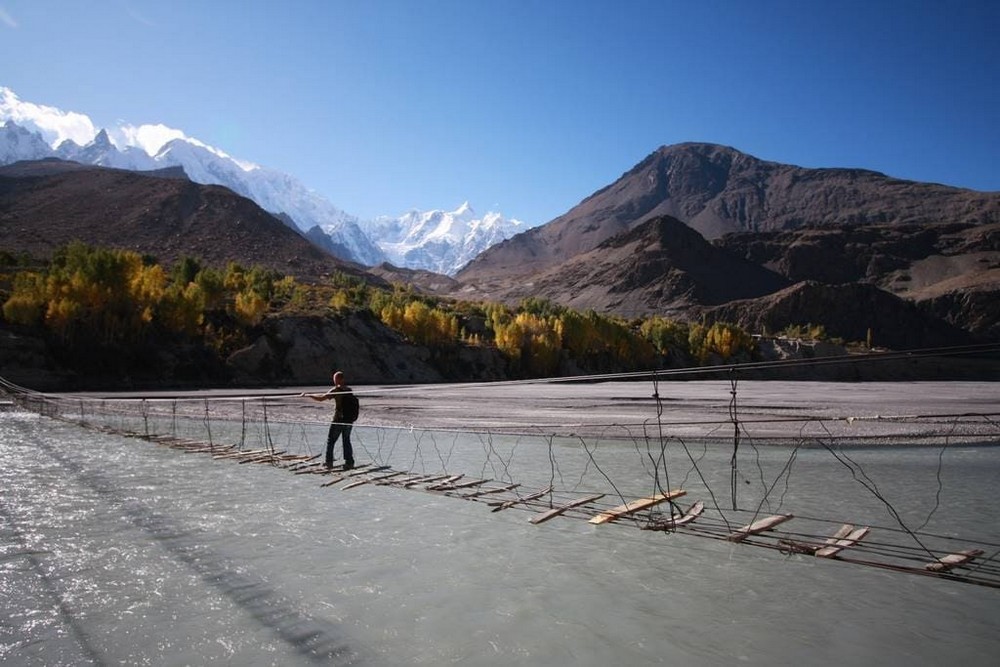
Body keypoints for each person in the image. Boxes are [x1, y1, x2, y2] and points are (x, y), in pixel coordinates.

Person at [302, 370, 355, 470]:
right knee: (346, 440)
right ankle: (349, 463)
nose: (334, 381)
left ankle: (329, 463)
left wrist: (308, 395)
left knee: (331, 441)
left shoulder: (336, 390)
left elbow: (321, 398)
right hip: (349, 420)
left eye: (335, 379)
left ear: (340, 379)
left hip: (338, 419)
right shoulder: (349, 389)